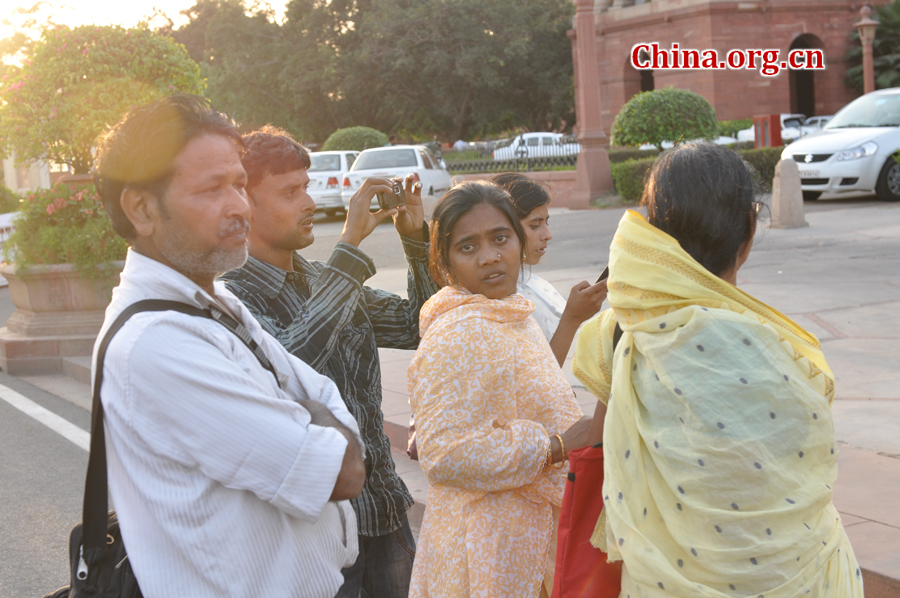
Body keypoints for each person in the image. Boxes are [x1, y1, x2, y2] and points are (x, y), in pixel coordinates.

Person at [91, 94, 365, 598]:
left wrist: (309, 412)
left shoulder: (218, 301)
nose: (240, 205)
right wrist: (309, 412)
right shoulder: (156, 345)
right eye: (212, 188)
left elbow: (327, 395)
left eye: (239, 183)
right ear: (142, 208)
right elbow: (340, 473)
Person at [572, 143, 863, 597]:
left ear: (654, 233)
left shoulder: (619, 334)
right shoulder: (778, 349)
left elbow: (600, 446)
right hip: (796, 577)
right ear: (748, 232)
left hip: (662, 580)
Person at [220, 125, 438, 598]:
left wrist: (416, 240)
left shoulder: (327, 277)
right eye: (290, 191)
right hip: (316, 532)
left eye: (307, 187)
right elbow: (292, 363)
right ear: (244, 203)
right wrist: (351, 243)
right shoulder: (233, 300)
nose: (309, 203)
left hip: (385, 511)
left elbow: (422, 327)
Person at [407, 181, 592, 598]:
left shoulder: (509, 313)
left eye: (500, 238)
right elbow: (444, 453)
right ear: (446, 262)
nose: (490, 257)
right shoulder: (456, 332)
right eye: (467, 247)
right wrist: (553, 447)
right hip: (485, 548)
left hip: (527, 534)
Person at [489, 173, 606, 366]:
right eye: (535, 226)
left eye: (546, 222)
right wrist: (571, 318)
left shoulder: (525, 283)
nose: (548, 235)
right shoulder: (498, 296)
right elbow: (539, 378)